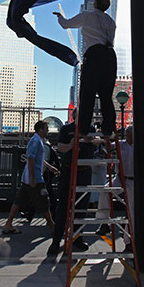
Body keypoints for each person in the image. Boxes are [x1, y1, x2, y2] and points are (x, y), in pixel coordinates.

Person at [54, 0, 117, 137]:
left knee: (87, 93)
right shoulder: (111, 21)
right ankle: (108, 128)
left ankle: (83, 128)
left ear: (95, 4)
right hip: (110, 56)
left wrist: (59, 17)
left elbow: (66, 24)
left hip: (94, 54)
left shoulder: (87, 16)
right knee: (106, 95)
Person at [47, 108, 95, 255]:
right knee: (63, 205)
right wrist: (71, 145)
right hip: (68, 169)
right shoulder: (66, 129)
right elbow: (60, 147)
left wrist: (91, 140)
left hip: (84, 170)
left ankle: (77, 237)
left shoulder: (91, 129)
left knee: (82, 206)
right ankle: (56, 240)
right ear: (74, 116)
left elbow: (99, 142)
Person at [3, 120, 56, 235]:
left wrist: (50, 167)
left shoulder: (37, 140)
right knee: (44, 201)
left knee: (19, 200)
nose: (48, 130)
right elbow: (31, 159)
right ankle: (52, 226)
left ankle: (9, 223)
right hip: (35, 177)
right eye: (46, 128)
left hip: (28, 177)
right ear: (40, 129)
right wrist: (33, 177)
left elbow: (37, 159)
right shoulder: (36, 141)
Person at [96, 126, 134, 251]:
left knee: (131, 212)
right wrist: (104, 138)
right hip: (120, 178)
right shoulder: (120, 144)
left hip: (133, 180)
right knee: (105, 191)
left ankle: (128, 242)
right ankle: (104, 222)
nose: (128, 136)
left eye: (130, 134)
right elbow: (107, 147)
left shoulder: (138, 146)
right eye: (127, 133)